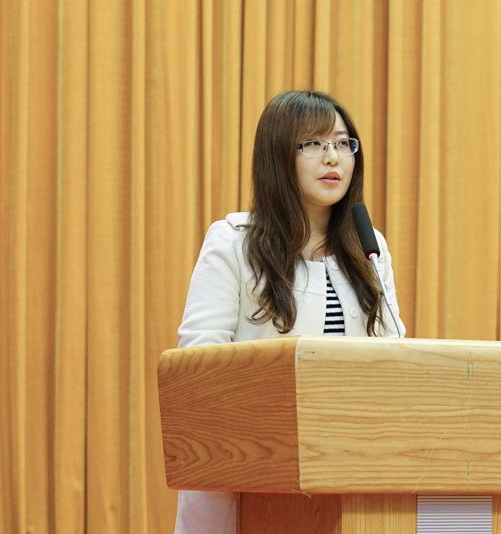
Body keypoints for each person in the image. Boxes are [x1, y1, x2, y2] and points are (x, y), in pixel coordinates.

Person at [173, 90, 404, 534]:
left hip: (346, 475)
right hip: (250, 480)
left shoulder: (368, 247)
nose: (333, 157)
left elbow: (392, 360)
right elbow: (198, 370)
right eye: (313, 143)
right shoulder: (234, 243)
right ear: (279, 155)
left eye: (343, 143)